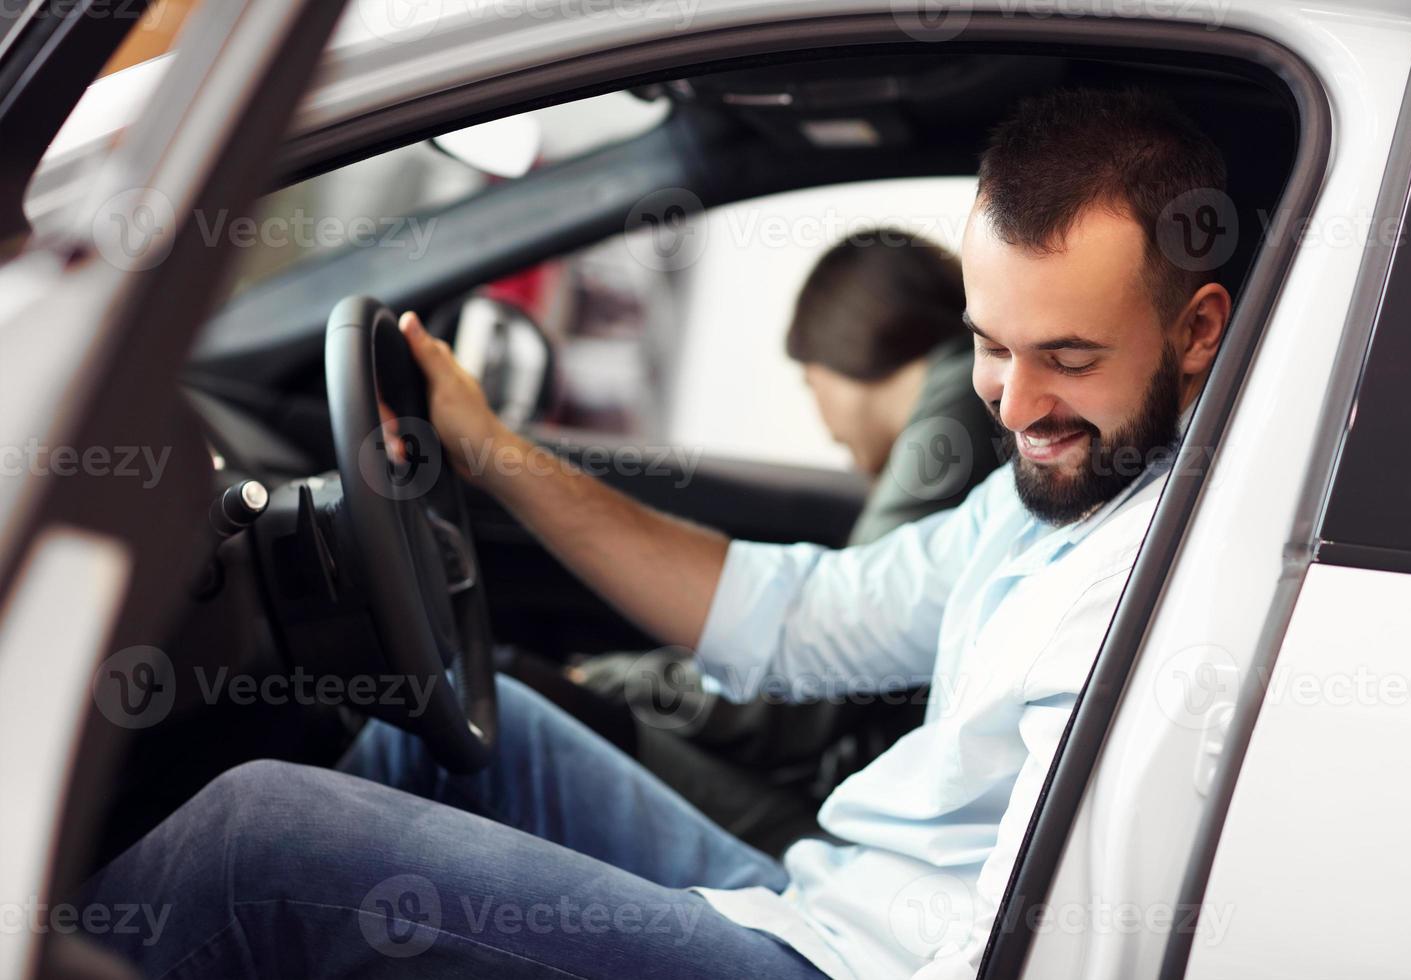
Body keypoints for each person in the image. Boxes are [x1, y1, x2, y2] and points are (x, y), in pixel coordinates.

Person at [76, 87, 1231, 980]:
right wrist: (486, 452)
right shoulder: (1047, 501)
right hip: (806, 901)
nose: (1017, 406)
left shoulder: (1176, 589)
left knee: (258, 841)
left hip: (838, 965)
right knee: (442, 736)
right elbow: (793, 622)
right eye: (989, 344)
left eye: (1070, 360)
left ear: (1196, 331)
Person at [550, 230, 1002, 856]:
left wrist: (609, 681)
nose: (824, 425)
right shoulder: (962, 407)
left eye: (808, 385)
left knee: (555, 719)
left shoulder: (950, 427)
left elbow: (809, 686)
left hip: (864, 831)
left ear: (839, 354)